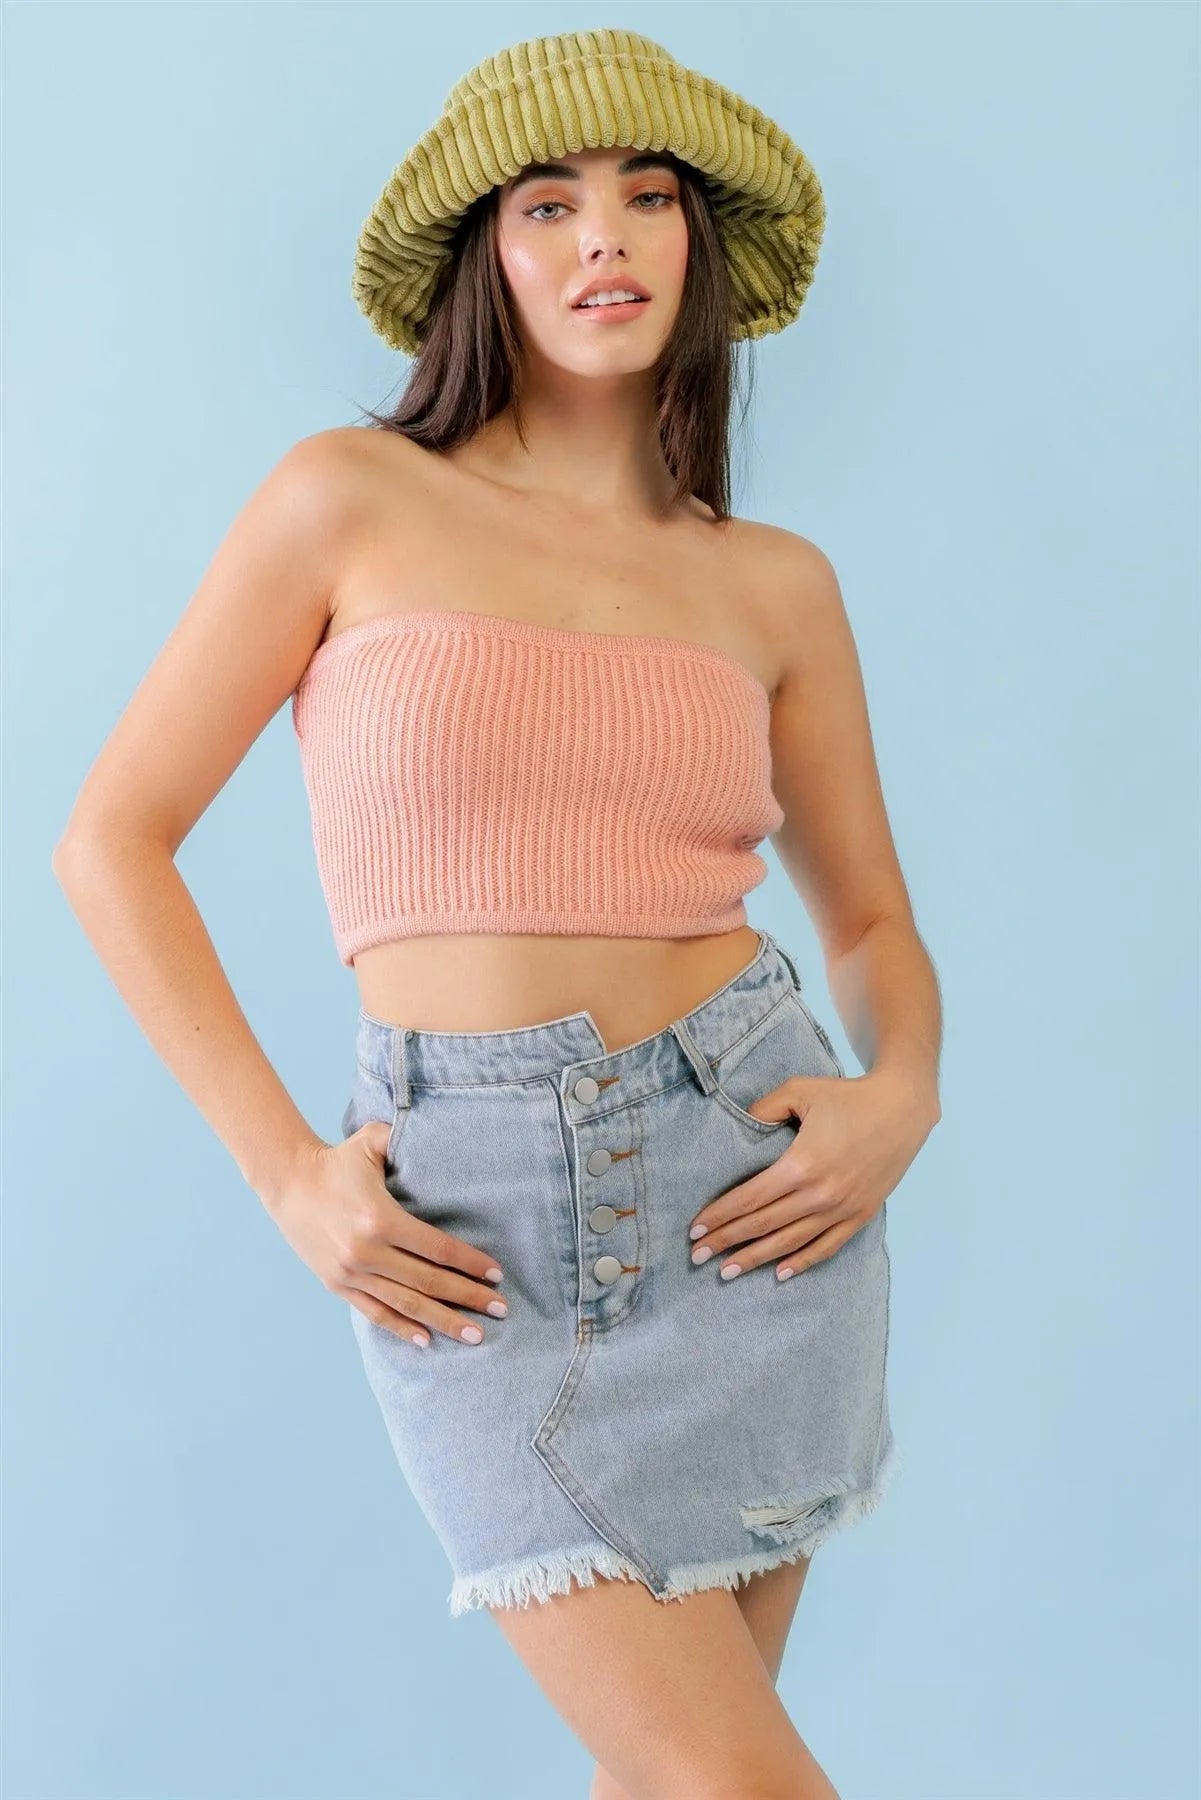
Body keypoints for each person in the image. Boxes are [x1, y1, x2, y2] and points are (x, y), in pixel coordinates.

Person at [52, 28, 942, 1800]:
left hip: (749, 1196)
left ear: (696, 247)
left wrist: (901, 1093)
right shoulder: (347, 498)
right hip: (477, 1225)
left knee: (681, 1783)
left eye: (647, 197)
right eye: (548, 204)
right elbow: (112, 841)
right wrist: (288, 1173)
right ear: (488, 256)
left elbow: (868, 927)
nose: (602, 235)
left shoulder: (771, 583)